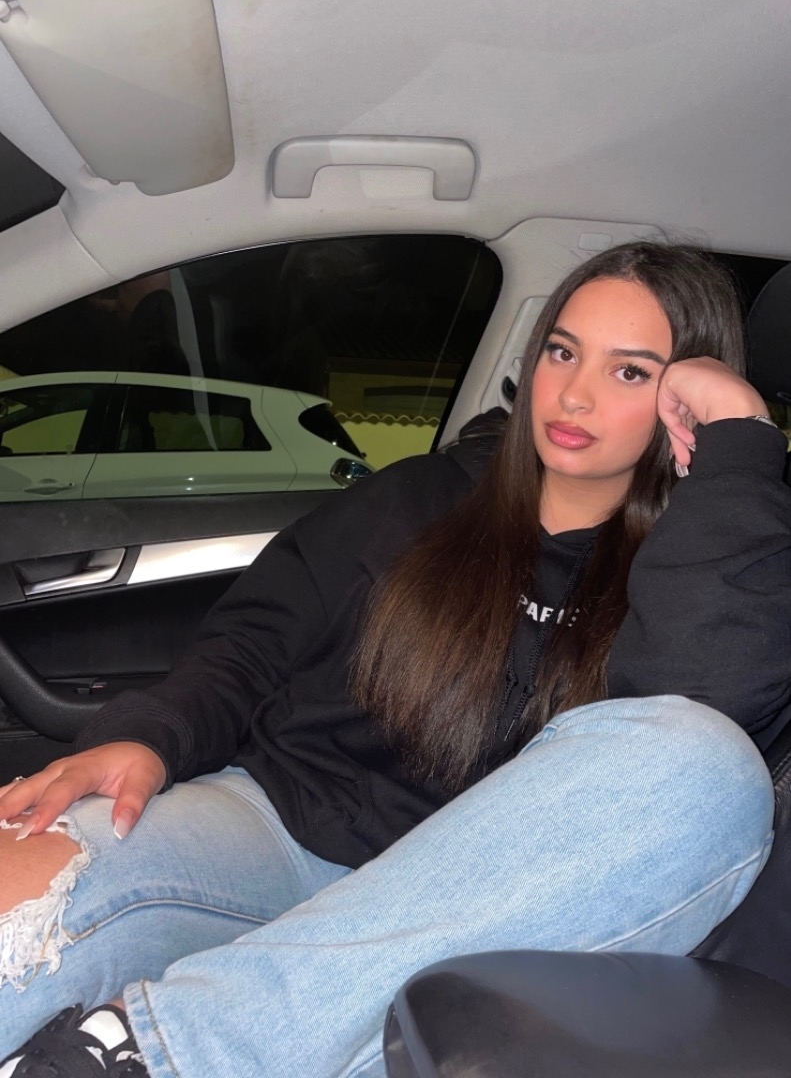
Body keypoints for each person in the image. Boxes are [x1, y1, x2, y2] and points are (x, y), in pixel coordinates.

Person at [0, 242, 788, 1078]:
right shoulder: (419, 497)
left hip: (472, 910)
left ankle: (150, 1055)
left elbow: (685, 743)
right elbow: (253, 642)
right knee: (37, 874)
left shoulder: (705, 563)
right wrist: (150, 736)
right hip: (278, 829)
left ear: (683, 401)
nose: (573, 394)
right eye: (562, 352)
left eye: (630, 372)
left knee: (702, 760)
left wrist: (740, 441)